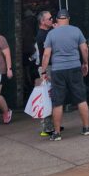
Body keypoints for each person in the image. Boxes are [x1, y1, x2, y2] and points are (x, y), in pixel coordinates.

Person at [38, 10, 89, 139]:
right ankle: (86, 128)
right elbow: (84, 48)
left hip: (58, 70)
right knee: (81, 99)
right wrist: (85, 63)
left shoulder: (51, 33)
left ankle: (57, 133)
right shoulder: (76, 30)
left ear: (57, 19)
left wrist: (43, 71)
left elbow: (46, 54)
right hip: (74, 67)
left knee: (58, 102)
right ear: (68, 18)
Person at [33, 10, 57, 138]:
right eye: (49, 18)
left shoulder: (48, 33)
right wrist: (43, 71)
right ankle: (47, 127)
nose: (52, 20)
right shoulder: (42, 35)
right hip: (46, 68)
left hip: (49, 67)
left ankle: (53, 124)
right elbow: (46, 54)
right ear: (42, 21)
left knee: (53, 96)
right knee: (48, 96)